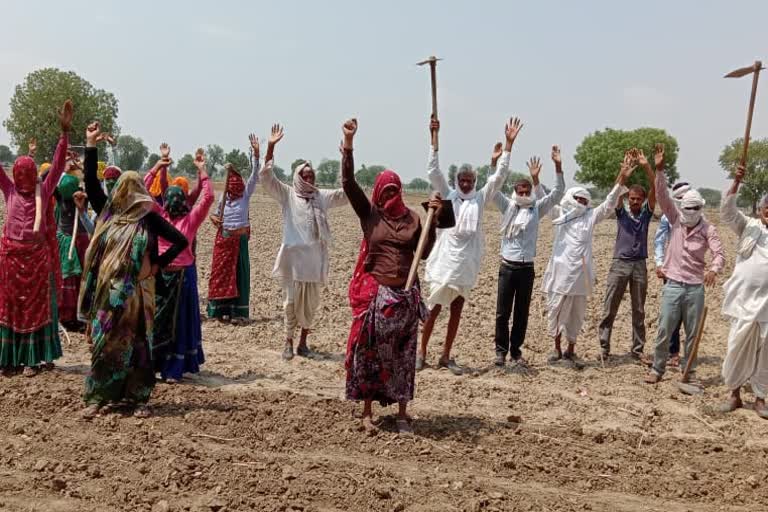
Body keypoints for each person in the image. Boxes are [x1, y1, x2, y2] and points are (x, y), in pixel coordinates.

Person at [80, 121, 188, 418]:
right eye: (125, 188)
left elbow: (179, 241)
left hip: (139, 295)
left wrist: (155, 266)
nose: (128, 193)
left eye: (132, 188)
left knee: (139, 345)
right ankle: (99, 396)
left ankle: (136, 399)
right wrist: (90, 144)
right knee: (106, 344)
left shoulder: (148, 218)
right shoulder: (109, 213)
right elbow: (90, 184)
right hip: (109, 293)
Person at [341, 118, 441, 434]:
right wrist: (348, 143)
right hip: (378, 297)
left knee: (403, 357)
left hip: (406, 297)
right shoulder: (370, 215)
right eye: (386, 191)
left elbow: (423, 253)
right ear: (377, 193)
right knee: (370, 356)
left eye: (395, 190)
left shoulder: (414, 219)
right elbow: (347, 182)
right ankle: (367, 412)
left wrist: (433, 221)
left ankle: (401, 413)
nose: (391, 196)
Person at [418, 116, 521, 374]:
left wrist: (508, 146)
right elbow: (433, 170)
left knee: (456, 311)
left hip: (466, 265)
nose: (466, 184)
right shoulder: (449, 197)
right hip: (444, 263)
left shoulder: (480, 199)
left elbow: (500, 177)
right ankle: (421, 352)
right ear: (457, 181)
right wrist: (434, 137)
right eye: (462, 180)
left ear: (474, 182)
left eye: (469, 181)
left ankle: (446, 355)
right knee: (433, 308)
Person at [259, 125, 349, 360]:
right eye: (305, 175)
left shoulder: (321, 197)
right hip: (292, 262)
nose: (309, 178)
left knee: (309, 306)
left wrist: (346, 157)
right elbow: (267, 178)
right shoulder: (288, 194)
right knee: (290, 304)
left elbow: (345, 193)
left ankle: (303, 343)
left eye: (312, 175)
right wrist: (270, 147)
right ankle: (288, 342)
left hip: (314, 262)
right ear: (298, 177)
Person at [0, 100, 72, 377]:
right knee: (11, 306)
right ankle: (9, 358)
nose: (23, 177)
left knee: (36, 308)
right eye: (20, 173)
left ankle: (34, 358)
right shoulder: (9, 190)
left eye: (26, 173)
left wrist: (64, 135)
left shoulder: (46, 188)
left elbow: (56, 166)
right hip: (11, 259)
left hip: (37, 259)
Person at [542, 151, 634, 366]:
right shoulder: (559, 215)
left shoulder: (590, 217)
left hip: (582, 276)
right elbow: (542, 197)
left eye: (585, 200)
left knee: (577, 315)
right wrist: (555, 168)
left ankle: (570, 350)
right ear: (570, 199)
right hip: (561, 275)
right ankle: (556, 349)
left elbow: (610, 201)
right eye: (578, 199)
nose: (582, 202)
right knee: (556, 311)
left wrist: (622, 176)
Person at [644, 145, 724, 384]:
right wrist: (659, 170)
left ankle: (688, 372)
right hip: (673, 285)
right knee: (663, 329)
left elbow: (719, 253)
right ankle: (657, 369)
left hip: (695, 288)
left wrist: (713, 269)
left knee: (692, 334)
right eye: (687, 208)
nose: (690, 212)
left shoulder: (709, 228)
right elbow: (662, 196)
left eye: (695, 209)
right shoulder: (675, 219)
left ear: (701, 208)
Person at [492, 145, 565, 368]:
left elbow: (558, 194)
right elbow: (492, 189)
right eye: (520, 191)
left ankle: (515, 352)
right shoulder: (508, 206)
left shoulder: (536, 208)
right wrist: (494, 163)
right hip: (507, 267)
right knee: (502, 313)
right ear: (514, 192)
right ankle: (500, 352)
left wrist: (556, 166)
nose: (523, 195)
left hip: (526, 269)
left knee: (521, 314)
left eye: (527, 191)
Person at [152, 150, 214, 383]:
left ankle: (172, 368)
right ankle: (163, 366)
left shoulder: (168, 217)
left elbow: (146, 194)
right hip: (168, 277)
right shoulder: (180, 219)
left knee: (174, 323)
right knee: (165, 323)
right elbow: (207, 197)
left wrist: (157, 168)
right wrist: (201, 169)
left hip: (177, 278)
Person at [598, 148, 657, 360]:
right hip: (620, 263)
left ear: (642, 200)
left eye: (638, 199)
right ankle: (604, 348)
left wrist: (646, 166)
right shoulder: (621, 212)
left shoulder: (646, 214)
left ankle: (637, 350)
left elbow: (656, 188)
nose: (634, 202)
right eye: (631, 198)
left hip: (640, 264)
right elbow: (615, 192)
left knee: (639, 310)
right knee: (609, 306)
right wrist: (623, 173)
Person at [719, 164, 768, 417]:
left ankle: (760, 398)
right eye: (766, 206)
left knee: (765, 356)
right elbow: (726, 211)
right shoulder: (747, 225)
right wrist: (736, 183)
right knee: (736, 347)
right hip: (744, 303)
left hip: (767, 308)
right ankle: (735, 394)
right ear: (760, 209)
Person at [207, 146, 260, 324]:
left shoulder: (245, 196)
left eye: (236, 189)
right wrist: (214, 219)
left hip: (239, 241)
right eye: (232, 189)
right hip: (225, 240)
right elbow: (214, 215)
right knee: (221, 275)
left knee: (239, 275)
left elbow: (254, 177)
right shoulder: (224, 198)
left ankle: (238, 312)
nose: (234, 192)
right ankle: (220, 311)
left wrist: (256, 156)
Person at [653, 181, 690, 367]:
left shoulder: (699, 216)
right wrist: (659, 263)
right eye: (681, 198)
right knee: (672, 312)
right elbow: (659, 241)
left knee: (688, 313)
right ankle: (673, 352)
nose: (685, 201)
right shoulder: (668, 217)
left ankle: (688, 354)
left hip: (692, 273)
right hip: (672, 270)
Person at [54, 174, 94, 330]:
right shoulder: (60, 197)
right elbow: (48, 178)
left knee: (80, 277)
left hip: (80, 241)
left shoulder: (83, 197)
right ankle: (66, 315)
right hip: (66, 241)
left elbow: (91, 185)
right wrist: (65, 167)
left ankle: (79, 315)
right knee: (67, 276)